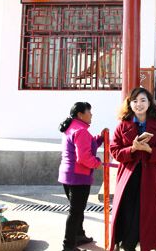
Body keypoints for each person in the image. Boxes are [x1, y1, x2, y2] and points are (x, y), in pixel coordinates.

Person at [110, 87, 156, 251]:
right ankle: (127, 244)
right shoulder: (122, 126)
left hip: (149, 177)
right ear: (129, 104)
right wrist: (132, 149)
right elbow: (114, 151)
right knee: (127, 211)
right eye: (135, 101)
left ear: (149, 103)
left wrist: (149, 150)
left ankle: (146, 243)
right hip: (128, 176)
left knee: (146, 213)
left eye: (143, 100)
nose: (139, 104)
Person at [58, 102, 103, 251]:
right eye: (89, 111)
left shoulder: (72, 128)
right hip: (78, 176)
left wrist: (100, 138)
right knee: (75, 211)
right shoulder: (81, 130)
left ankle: (78, 235)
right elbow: (84, 157)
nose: (91, 114)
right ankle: (68, 246)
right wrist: (97, 163)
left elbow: (88, 145)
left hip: (68, 175)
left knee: (77, 210)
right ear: (80, 115)